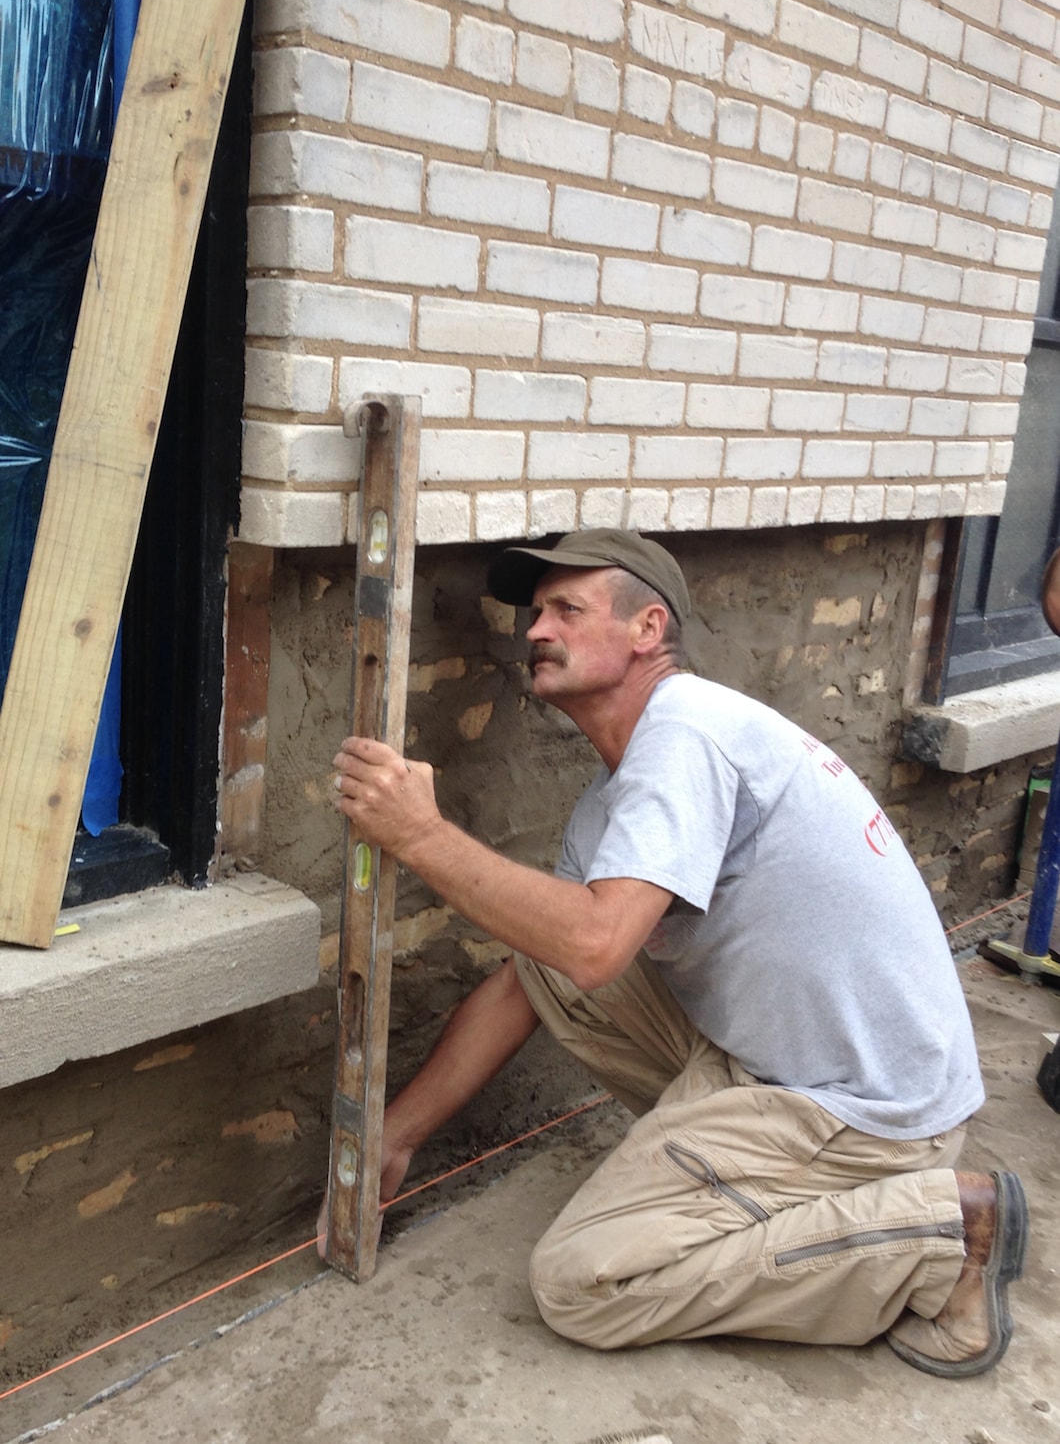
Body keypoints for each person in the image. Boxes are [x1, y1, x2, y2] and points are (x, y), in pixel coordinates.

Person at [326, 527, 1028, 1378]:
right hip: (792, 1065)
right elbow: (539, 975)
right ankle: (766, 1186)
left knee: (585, 1281)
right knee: (543, 949)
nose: (535, 631)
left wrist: (423, 836)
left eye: (566, 610)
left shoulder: (687, 732)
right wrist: (396, 1134)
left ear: (648, 628)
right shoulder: (617, 793)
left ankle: (939, 1234)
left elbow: (594, 944)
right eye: (535, 613)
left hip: (866, 1110)